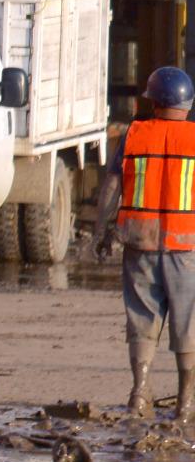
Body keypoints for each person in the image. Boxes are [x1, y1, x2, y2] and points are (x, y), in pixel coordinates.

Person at [93, 65, 195, 419]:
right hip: (185, 248)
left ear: (152, 102)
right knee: (188, 322)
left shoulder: (133, 134)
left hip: (139, 244)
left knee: (141, 320)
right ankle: (185, 402)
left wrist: (100, 230)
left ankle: (139, 392)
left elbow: (111, 186)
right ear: (187, 104)